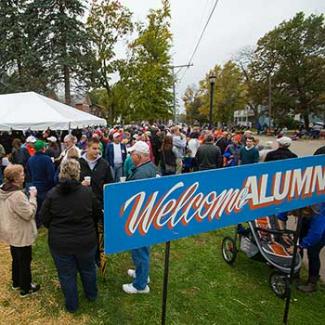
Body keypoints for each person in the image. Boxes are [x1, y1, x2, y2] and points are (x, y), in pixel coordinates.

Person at [40, 159, 101, 312]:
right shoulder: (86, 192)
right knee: (88, 269)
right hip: (84, 240)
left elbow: (44, 218)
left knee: (67, 274)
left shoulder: (53, 194)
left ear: (61, 173)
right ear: (78, 172)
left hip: (62, 243)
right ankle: (91, 295)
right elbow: (97, 214)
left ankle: (73, 305)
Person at [0, 164, 40, 297]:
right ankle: (26, 288)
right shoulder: (17, 195)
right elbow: (29, 214)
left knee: (16, 258)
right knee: (24, 260)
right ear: (16, 178)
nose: (24, 175)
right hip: (21, 232)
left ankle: (16, 282)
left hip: (10, 229)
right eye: (22, 173)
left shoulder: (3, 190)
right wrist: (33, 197)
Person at [123, 141, 156, 294]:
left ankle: (140, 285)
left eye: (132, 154)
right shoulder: (148, 167)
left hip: (140, 216)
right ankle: (141, 274)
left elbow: (135, 196)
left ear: (139, 155)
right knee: (142, 249)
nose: (130, 156)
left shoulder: (142, 172)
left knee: (140, 249)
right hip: (145, 215)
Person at [287, 204, 325, 293]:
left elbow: (316, 234)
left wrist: (300, 246)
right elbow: (281, 215)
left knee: (313, 252)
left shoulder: (319, 213)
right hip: (307, 219)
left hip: (322, 231)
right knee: (297, 243)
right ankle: (295, 273)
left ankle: (312, 283)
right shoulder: (298, 202)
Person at [26, 140, 55, 227]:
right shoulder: (47, 159)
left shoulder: (30, 159)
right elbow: (51, 175)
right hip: (46, 186)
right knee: (46, 206)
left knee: (36, 205)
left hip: (35, 185)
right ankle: (45, 222)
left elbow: (29, 173)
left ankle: (37, 223)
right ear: (43, 148)